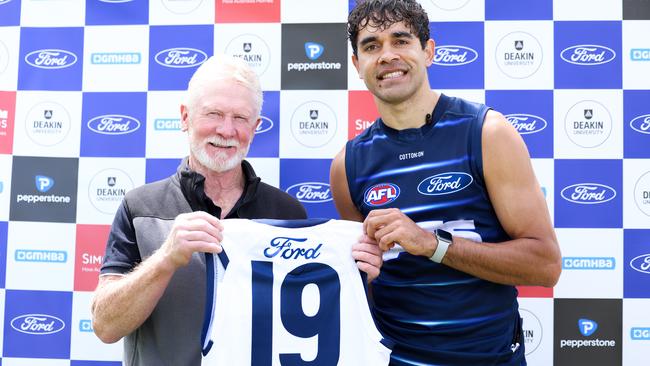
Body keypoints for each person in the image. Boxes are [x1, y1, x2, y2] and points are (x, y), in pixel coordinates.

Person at [330, 1, 562, 365]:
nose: (387, 55)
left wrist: (431, 244)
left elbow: (545, 266)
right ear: (358, 65)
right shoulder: (348, 165)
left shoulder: (486, 133)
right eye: (372, 46)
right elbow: (361, 280)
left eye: (401, 41)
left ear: (428, 51)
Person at [91, 54, 307, 365]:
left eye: (241, 118)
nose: (226, 130)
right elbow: (105, 326)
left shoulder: (287, 212)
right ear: (185, 118)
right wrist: (165, 259)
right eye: (214, 114)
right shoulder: (139, 207)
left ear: (256, 126)